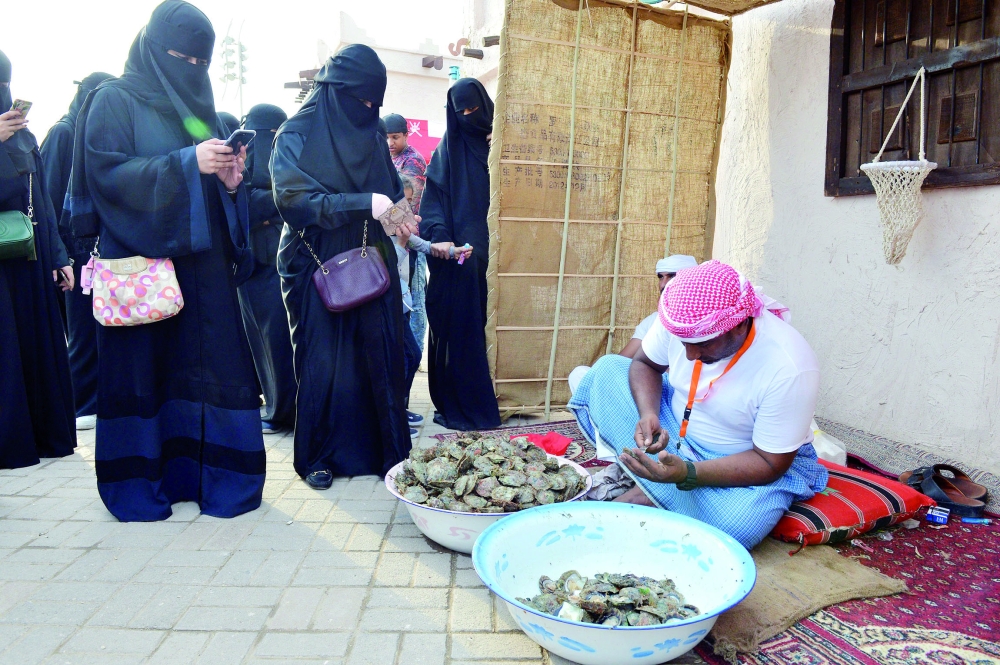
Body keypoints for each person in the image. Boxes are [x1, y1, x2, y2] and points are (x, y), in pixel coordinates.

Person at [68, 0, 264, 521]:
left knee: (212, 365)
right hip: (142, 271)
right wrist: (185, 163)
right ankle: (141, 485)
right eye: (183, 58)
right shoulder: (113, 100)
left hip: (201, 273)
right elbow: (105, 176)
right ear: (155, 49)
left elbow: (215, 195)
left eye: (202, 64)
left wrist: (227, 182)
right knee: (144, 374)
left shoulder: (202, 110)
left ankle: (218, 479)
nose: (193, 72)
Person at [567, 260, 827, 549]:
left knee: (737, 526)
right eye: (683, 343)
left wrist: (688, 474)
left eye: (703, 344)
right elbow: (644, 364)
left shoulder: (790, 366)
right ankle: (661, 489)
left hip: (743, 459)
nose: (690, 355)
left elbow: (769, 462)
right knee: (605, 371)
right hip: (673, 430)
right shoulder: (682, 320)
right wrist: (649, 412)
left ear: (739, 325)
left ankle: (649, 489)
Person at [271, 44, 415, 490]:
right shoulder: (297, 132)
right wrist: (358, 204)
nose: (367, 111)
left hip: (372, 258)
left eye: (375, 104)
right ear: (336, 91)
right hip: (316, 261)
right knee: (322, 361)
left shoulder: (371, 132)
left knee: (379, 352)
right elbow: (292, 200)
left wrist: (400, 219)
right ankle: (319, 455)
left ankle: (383, 450)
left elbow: (388, 193)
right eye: (361, 101)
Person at [0, 49, 77, 470]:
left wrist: (59, 255)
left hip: (27, 261)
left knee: (32, 345)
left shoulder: (26, 139)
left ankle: (42, 434)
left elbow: (42, 202)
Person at [419, 78, 501, 431]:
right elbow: (433, 202)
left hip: (503, 257)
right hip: (461, 258)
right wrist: (439, 238)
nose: (470, 117)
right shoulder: (447, 152)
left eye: (475, 109)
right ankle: (466, 403)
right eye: (462, 112)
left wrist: (502, 148)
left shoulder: (501, 144)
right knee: (462, 327)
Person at [40, 71, 115, 432]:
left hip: (91, 251)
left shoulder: (88, 134)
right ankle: (82, 404)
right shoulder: (64, 132)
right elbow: (49, 199)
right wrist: (62, 256)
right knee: (82, 331)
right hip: (73, 253)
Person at [236, 103, 296, 434]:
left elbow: (291, 197)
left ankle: (284, 409)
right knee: (261, 341)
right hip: (250, 266)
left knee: (278, 339)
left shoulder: (286, 161)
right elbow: (239, 201)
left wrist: (263, 205)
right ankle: (275, 406)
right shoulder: (238, 166)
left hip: (280, 264)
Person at [568, 254, 697, 394]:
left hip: (681, 392)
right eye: (660, 277)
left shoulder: (704, 321)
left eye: (671, 276)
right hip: (646, 386)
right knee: (581, 374)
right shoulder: (653, 320)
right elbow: (620, 362)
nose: (663, 284)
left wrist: (654, 367)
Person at [384, 112, 430, 402]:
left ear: (406, 135)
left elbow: (401, 215)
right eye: (386, 137)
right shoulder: (385, 158)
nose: (390, 143)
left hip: (410, 248)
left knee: (412, 314)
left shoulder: (412, 162)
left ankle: (403, 399)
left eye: (396, 137)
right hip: (393, 247)